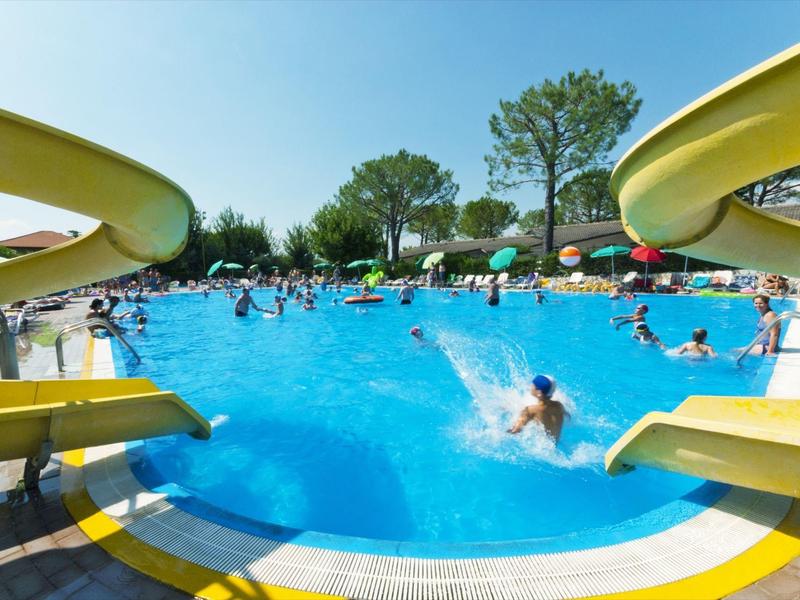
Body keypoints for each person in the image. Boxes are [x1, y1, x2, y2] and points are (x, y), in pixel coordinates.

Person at [507, 375, 568, 443]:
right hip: (555, 445)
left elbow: (515, 430)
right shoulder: (559, 406)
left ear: (539, 393)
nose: (531, 386)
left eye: (534, 385)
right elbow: (567, 417)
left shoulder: (530, 410)